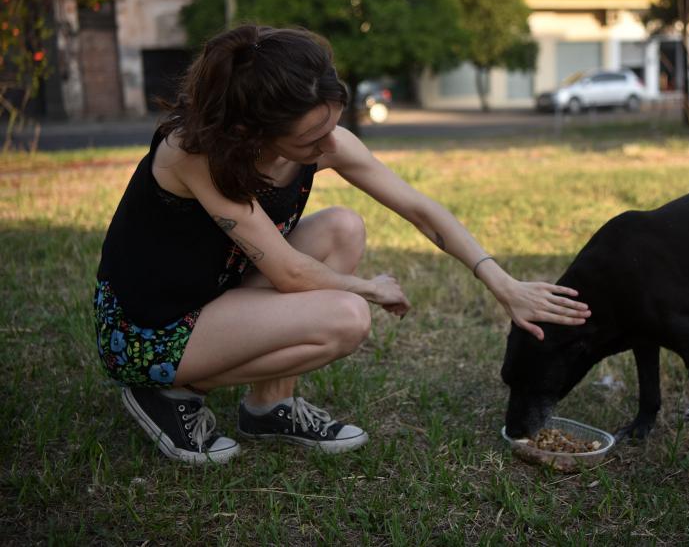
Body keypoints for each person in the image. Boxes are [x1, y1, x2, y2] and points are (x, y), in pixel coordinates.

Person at [93, 25, 590, 464]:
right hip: (146, 328)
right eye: (312, 138)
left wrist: (501, 282)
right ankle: (162, 390)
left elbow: (420, 208)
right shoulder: (196, 154)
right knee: (347, 318)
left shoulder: (322, 141)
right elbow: (289, 272)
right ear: (250, 130)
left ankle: (270, 406)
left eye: (333, 123)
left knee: (343, 227)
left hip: (212, 298)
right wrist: (367, 288)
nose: (330, 146)